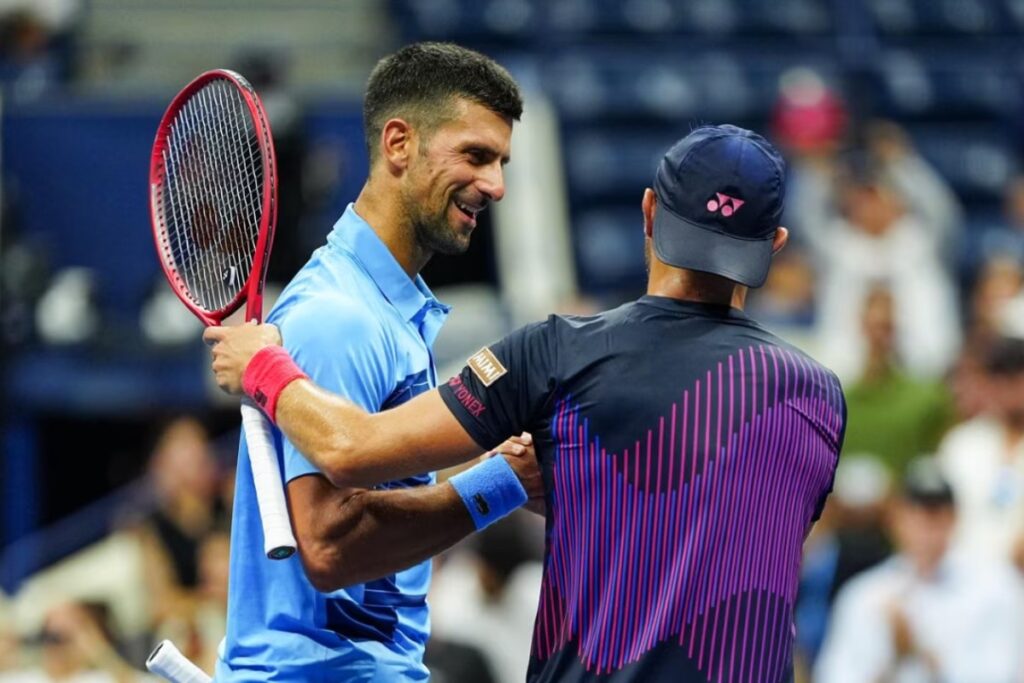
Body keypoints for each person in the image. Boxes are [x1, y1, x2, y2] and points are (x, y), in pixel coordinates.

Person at [207, 124, 847, 682]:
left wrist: (264, 366)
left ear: (649, 213)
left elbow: (349, 450)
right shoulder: (821, 400)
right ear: (777, 243)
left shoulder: (557, 354)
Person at [210, 42, 537, 682]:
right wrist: (497, 486)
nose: (496, 185)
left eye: (500, 162)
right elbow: (330, 547)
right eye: (475, 155)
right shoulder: (340, 319)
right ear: (398, 144)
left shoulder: (382, 312)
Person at [814, 459, 1024, 683]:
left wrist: (917, 649)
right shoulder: (866, 595)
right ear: (896, 519)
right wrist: (895, 657)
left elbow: (1002, 673)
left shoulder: (997, 588)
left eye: (935, 516)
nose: (925, 529)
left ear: (954, 519)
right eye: (916, 515)